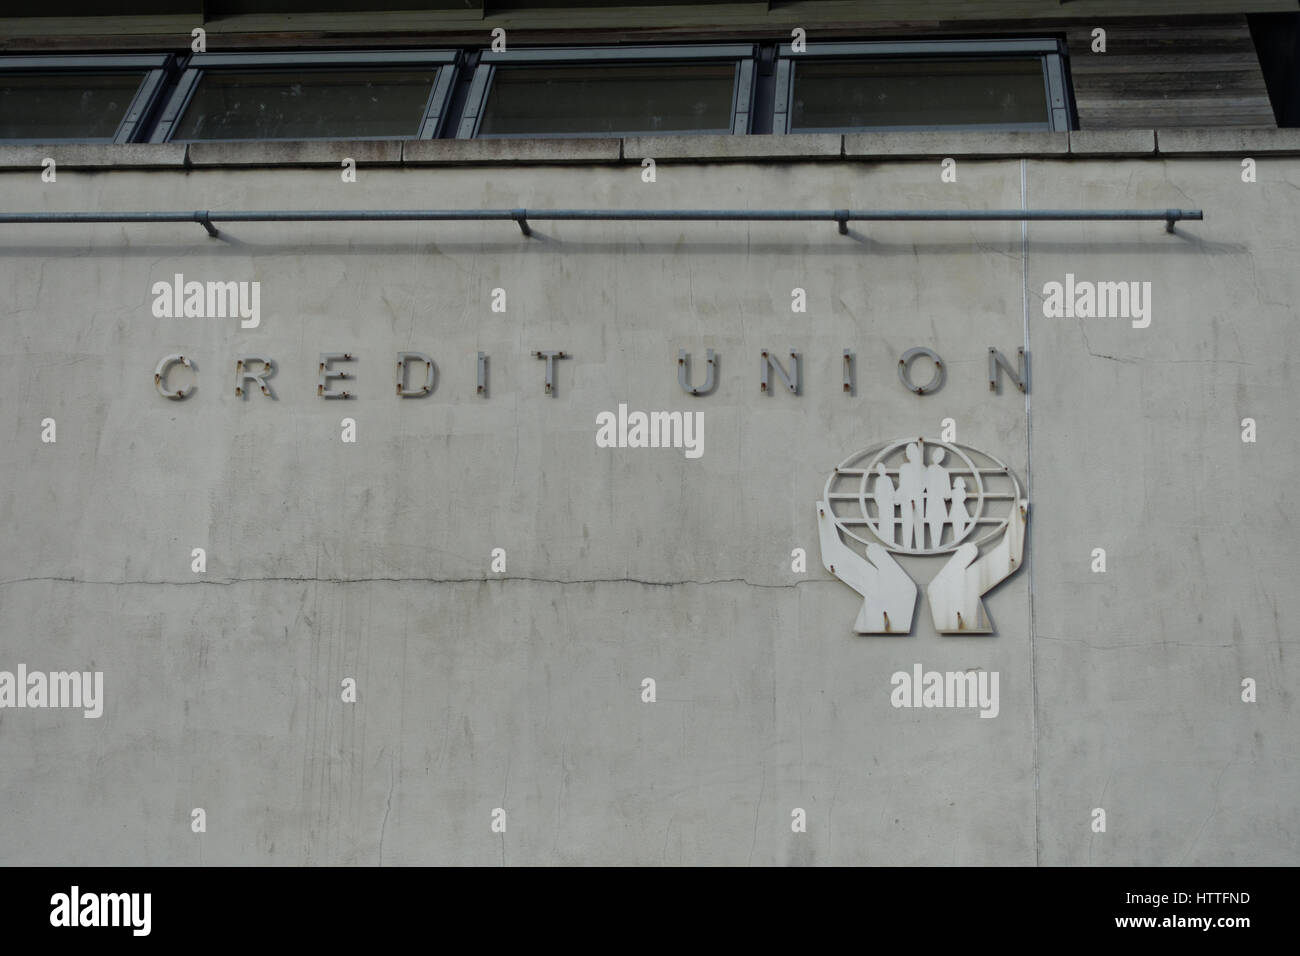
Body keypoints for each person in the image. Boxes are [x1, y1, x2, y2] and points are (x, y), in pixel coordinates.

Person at [897, 442, 926, 550]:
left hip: (916, 499)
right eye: (908, 452)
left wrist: (916, 492)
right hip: (906, 499)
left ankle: (919, 548)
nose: (910, 454)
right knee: (907, 525)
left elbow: (926, 483)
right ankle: (907, 548)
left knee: (918, 525)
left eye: (911, 452)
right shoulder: (904, 467)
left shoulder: (922, 468)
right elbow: (902, 485)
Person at [924, 447, 952, 550]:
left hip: (934, 501)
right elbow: (947, 494)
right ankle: (936, 546)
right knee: (937, 523)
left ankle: (935, 546)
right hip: (937, 502)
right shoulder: (943, 472)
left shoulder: (931, 470)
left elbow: (923, 485)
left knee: (935, 523)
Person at [872, 462, 897, 546]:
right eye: (879, 469)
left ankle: (890, 540)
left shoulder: (887, 479)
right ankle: (883, 540)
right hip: (883, 504)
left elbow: (892, 491)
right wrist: (879, 502)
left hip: (888, 503)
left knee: (889, 521)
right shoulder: (879, 480)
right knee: (883, 521)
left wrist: (894, 500)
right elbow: (876, 494)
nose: (881, 470)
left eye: (882, 468)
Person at [948, 476, 972, 540]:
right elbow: (963, 498)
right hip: (961, 509)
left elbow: (948, 497)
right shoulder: (962, 492)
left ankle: (957, 538)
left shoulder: (953, 491)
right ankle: (958, 538)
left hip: (955, 509)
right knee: (961, 524)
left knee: (956, 525)